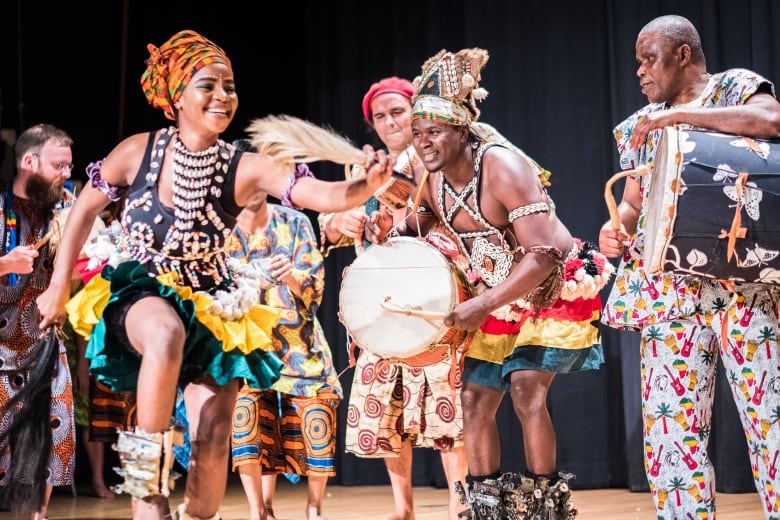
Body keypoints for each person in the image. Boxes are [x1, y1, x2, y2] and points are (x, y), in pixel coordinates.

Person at [34, 29, 394, 520]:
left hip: (214, 302)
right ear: (177, 95)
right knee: (164, 333)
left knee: (214, 434)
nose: (223, 96)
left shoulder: (243, 166)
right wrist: (57, 286)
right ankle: (147, 492)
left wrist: (364, 185)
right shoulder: (137, 152)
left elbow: (324, 198)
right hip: (141, 289)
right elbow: (81, 212)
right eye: (208, 85)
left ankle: (197, 511)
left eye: (229, 85)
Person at [366, 48, 611, 520]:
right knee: (474, 399)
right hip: (498, 297)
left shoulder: (502, 166)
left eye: (434, 132)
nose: (423, 143)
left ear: (461, 130)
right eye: (417, 134)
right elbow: (418, 221)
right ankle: (486, 510)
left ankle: (545, 509)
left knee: (524, 389)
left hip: (551, 287)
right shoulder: (425, 172)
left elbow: (543, 255)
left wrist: (483, 304)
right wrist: (390, 232)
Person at [598, 14, 780, 519]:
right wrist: (616, 228)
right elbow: (634, 203)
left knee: (771, 418)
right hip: (668, 295)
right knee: (671, 431)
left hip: (740, 285)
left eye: (648, 59)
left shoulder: (736, 87)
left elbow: (772, 122)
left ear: (682, 55)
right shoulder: (638, 124)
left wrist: (680, 120)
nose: (639, 72)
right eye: (636, 62)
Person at [319, 76, 469, 520]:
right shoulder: (365, 171)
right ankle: (402, 506)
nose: (388, 122)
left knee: (448, 405)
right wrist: (339, 223)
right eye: (379, 116)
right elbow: (329, 223)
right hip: (382, 302)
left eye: (397, 112)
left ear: (418, 112)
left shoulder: (439, 162)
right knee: (389, 407)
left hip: (433, 298)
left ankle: (458, 500)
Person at [228, 139, 341, 520]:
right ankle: (259, 509)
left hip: (298, 343)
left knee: (315, 418)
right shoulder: (221, 230)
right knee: (247, 422)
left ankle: (314, 508)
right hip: (246, 347)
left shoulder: (294, 222)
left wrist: (292, 276)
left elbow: (316, 287)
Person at [0, 123, 77, 519]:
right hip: (1, 347)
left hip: (45, 341)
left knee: (53, 431)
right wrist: (5, 264)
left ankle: (39, 515)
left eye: (69, 165)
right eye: (58, 165)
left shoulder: (65, 209)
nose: (67, 173)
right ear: (29, 162)